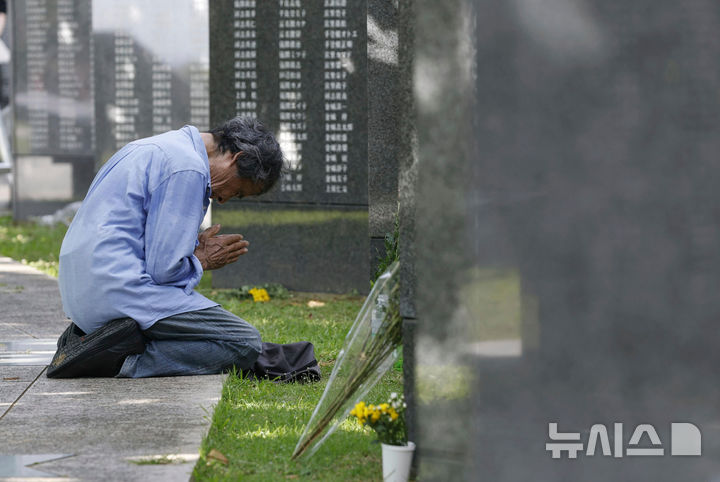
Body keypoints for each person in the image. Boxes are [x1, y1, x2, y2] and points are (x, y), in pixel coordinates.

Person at [52, 117, 284, 378]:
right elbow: (164, 270)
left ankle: (91, 341)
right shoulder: (188, 168)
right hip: (118, 290)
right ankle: (114, 360)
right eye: (238, 191)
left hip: (80, 293)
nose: (223, 199)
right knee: (244, 342)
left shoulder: (152, 147)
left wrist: (190, 251)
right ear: (236, 159)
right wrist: (202, 260)